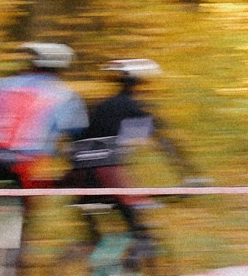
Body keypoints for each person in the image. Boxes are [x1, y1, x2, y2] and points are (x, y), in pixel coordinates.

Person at [61, 59, 204, 237]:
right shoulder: (134, 107)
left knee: (99, 232)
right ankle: (138, 244)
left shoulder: (100, 105)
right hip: (106, 172)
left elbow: (76, 139)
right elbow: (164, 142)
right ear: (139, 83)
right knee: (138, 227)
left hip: (80, 173)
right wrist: (189, 175)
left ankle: (91, 247)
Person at [0, 41, 89, 190]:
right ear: (63, 67)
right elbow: (78, 132)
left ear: (31, 63)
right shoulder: (66, 94)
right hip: (30, 165)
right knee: (49, 189)